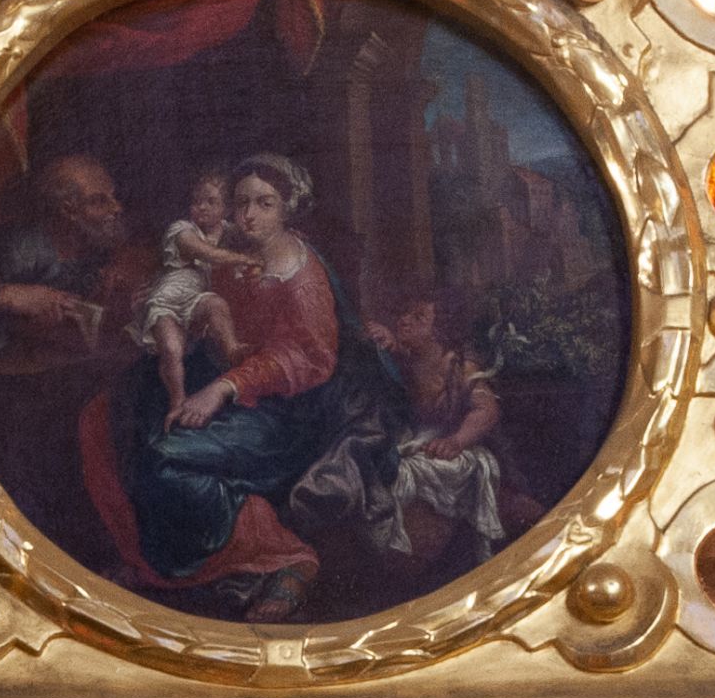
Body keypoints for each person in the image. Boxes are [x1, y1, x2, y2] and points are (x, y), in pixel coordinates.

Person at [97, 153, 404, 623]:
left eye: (265, 203)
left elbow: (309, 358)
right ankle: (153, 559)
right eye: (241, 203)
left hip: (288, 414)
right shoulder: (233, 253)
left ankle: (283, 556)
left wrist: (222, 388)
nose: (249, 215)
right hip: (229, 383)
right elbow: (207, 309)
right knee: (115, 412)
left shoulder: (300, 275)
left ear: (287, 208)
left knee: (166, 457)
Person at [369, 296, 507, 566]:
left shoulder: (458, 367)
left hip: (450, 441)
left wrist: (456, 441)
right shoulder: (409, 359)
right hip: (416, 439)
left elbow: (487, 409)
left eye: (418, 317)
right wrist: (387, 340)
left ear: (440, 332)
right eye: (406, 314)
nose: (404, 320)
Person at [0, 153, 133, 360]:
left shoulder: (95, 246)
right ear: (68, 209)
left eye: (112, 197)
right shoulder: (22, 249)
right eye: (99, 201)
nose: (117, 208)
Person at [135, 170, 261, 407]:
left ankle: (233, 351)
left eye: (211, 202)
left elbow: (255, 237)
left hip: (196, 302)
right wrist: (243, 259)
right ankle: (177, 401)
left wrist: (281, 237)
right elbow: (207, 253)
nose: (201, 207)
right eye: (196, 201)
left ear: (226, 208)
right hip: (166, 303)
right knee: (172, 350)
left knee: (216, 304)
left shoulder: (228, 231)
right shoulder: (181, 230)